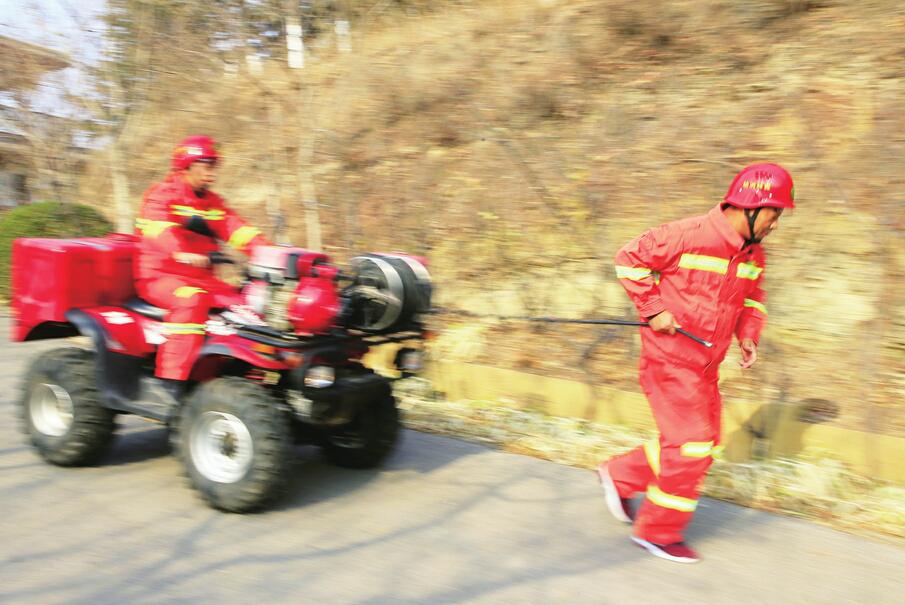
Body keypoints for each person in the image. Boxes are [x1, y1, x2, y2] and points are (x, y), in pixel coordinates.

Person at [597, 163, 795, 563]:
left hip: (707, 363)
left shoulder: (754, 254)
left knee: (705, 445)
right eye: (775, 214)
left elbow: (752, 298)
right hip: (669, 359)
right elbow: (627, 259)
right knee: (692, 445)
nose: (776, 223)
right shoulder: (688, 235)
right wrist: (653, 309)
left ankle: (621, 475)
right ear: (751, 207)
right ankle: (657, 532)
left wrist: (749, 336)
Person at [134, 135, 269, 399]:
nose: (212, 172)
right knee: (191, 301)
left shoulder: (212, 203)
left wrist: (269, 253)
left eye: (213, 166)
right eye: (206, 165)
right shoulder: (161, 196)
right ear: (187, 165)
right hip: (161, 277)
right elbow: (158, 228)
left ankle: (237, 374)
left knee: (247, 306)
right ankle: (172, 380)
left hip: (203, 278)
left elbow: (237, 229)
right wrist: (180, 252)